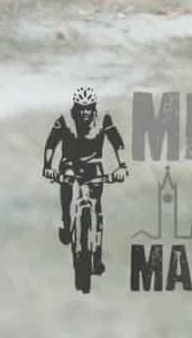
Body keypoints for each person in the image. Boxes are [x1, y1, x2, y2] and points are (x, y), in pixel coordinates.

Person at [42, 86, 128, 273]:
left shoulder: (104, 120)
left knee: (96, 207)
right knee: (66, 181)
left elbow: (117, 142)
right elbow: (51, 143)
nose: (84, 112)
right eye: (81, 107)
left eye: (88, 107)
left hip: (94, 167)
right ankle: (66, 221)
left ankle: (96, 255)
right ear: (75, 107)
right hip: (70, 165)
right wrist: (47, 166)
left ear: (94, 107)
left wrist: (122, 166)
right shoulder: (64, 121)